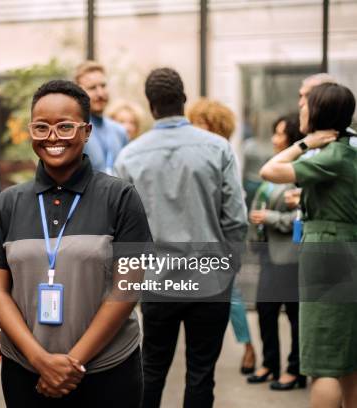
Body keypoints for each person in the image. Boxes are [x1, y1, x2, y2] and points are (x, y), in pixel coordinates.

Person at [0, 79, 151, 408]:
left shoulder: (120, 197)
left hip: (108, 371)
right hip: (25, 370)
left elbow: (126, 289)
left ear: (86, 131)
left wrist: (71, 363)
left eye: (65, 126)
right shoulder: (9, 203)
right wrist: (41, 360)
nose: (53, 137)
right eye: (42, 127)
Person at [115, 68, 248, 408]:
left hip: (158, 282)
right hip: (209, 278)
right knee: (201, 373)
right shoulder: (218, 149)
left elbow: (123, 228)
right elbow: (235, 218)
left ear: (150, 105)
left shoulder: (129, 156)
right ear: (184, 99)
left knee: (152, 369)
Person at [259, 82, 357, 408]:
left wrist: (304, 144)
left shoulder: (330, 153)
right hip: (347, 246)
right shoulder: (351, 146)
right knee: (347, 356)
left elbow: (269, 170)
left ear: (319, 112)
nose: (300, 108)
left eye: (305, 104)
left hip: (327, 252)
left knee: (323, 360)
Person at [188, 97, 256, 375]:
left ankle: (248, 346)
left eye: (201, 125)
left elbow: (234, 202)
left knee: (232, 295)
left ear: (216, 127)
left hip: (215, 239)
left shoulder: (223, 152)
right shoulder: (192, 152)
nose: (195, 129)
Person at [246, 113, 305, 391]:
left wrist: (269, 218)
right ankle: (270, 364)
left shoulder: (300, 172)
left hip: (290, 257)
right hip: (268, 255)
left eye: (280, 133)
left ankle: (295, 370)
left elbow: (301, 218)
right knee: (266, 311)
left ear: (292, 137)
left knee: (294, 315)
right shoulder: (271, 170)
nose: (274, 138)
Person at [74, 61, 129, 174]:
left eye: (103, 86)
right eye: (92, 88)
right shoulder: (74, 132)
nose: (100, 93)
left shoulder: (120, 131)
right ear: (78, 92)